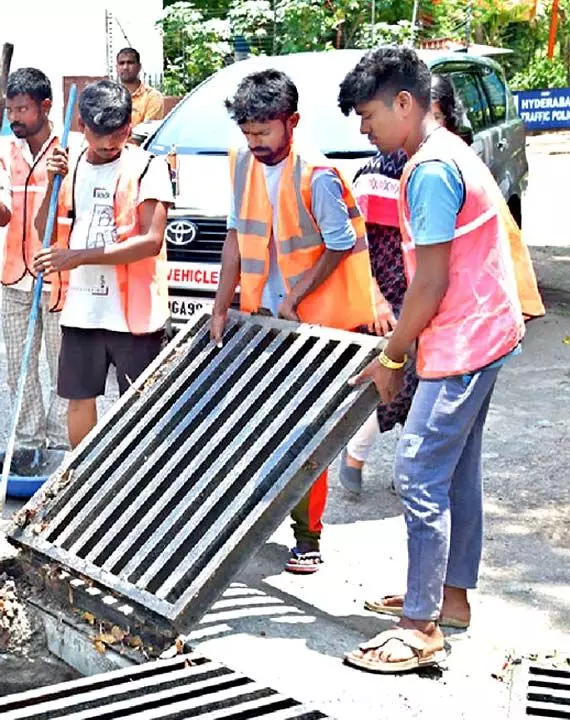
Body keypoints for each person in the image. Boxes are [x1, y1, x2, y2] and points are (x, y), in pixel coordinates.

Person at [338, 46, 540, 673]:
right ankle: (448, 600)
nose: (364, 130)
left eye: (369, 116)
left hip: (464, 341)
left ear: (405, 103)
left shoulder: (428, 170)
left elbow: (426, 284)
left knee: (421, 470)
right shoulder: (449, 151)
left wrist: (393, 360)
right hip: (483, 333)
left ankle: (421, 627)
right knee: (455, 472)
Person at [210, 69, 376, 575]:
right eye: (248, 133)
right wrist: (222, 304)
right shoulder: (241, 163)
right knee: (263, 424)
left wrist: (297, 296)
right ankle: (258, 521)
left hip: (318, 327)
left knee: (307, 432)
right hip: (264, 317)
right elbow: (237, 235)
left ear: (292, 122)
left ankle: (308, 537)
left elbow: (341, 242)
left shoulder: (318, 175)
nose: (255, 142)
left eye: (264, 132)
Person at [339, 74, 463, 494]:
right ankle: (356, 455)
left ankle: (404, 470)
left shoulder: (444, 164)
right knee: (395, 379)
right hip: (392, 296)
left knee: (420, 386)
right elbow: (357, 244)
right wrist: (373, 296)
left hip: (429, 296)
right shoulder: (376, 171)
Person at [32, 79, 173, 448]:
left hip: (134, 315)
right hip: (81, 309)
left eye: (118, 137)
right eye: (100, 138)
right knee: (79, 399)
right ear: (82, 126)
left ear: (129, 126)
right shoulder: (68, 163)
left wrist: (77, 257)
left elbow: (150, 241)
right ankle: (83, 481)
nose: (110, 146)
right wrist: (51, 182)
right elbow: (41, 228)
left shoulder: (149, 167)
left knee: (140, 405)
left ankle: (136, 482)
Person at [0, 67, 69, 473]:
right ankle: (29, 443)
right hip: (15, 277)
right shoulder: (5, 151)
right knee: (20, 368)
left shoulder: (70, 151)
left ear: (45, 107)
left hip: (60, 280)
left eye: (23, 109)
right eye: (10, 108)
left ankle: (62, 448)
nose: (15, 117)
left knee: (63, 367)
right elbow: (1, 217)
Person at [115, 48, 164, 128]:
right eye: (121, 63)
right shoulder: (109, 95)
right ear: (116, 68)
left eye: (130, 63)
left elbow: (147, 133)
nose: (125, 67)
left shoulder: (152, 97)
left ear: (139, 67)